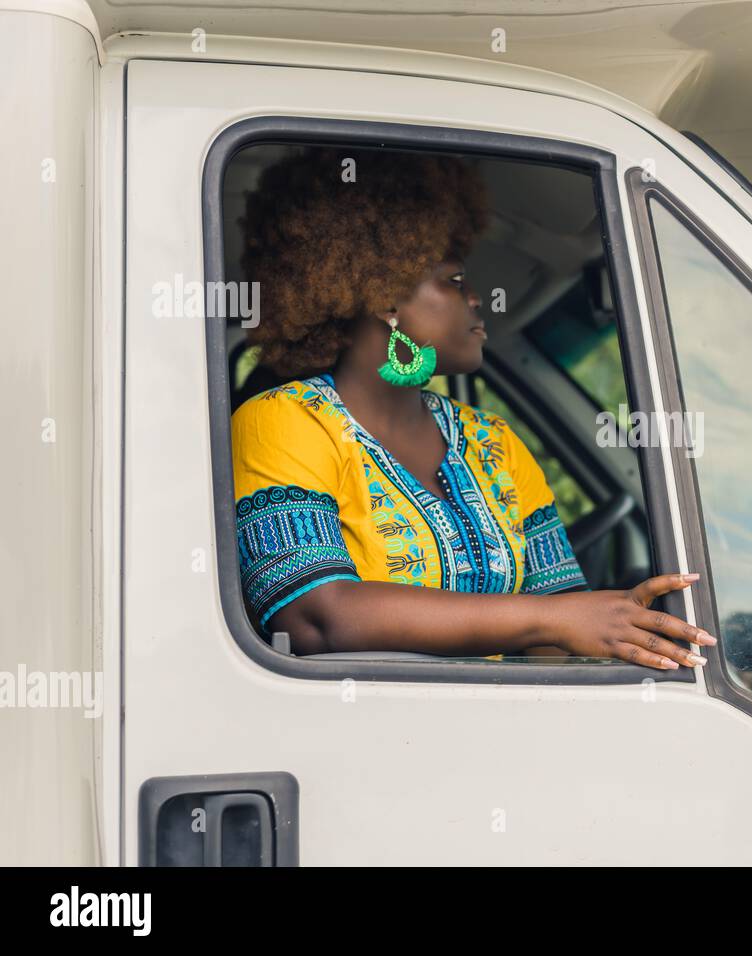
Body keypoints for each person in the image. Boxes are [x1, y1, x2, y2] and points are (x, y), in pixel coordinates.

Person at [230, 146, 713, 669]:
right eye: (455, 281)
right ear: (386, 300)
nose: (478, 298)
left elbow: (562, 624)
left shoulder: (493, 440)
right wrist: (551, 621)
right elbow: (315, 621)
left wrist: (621, 631)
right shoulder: (283, 421)